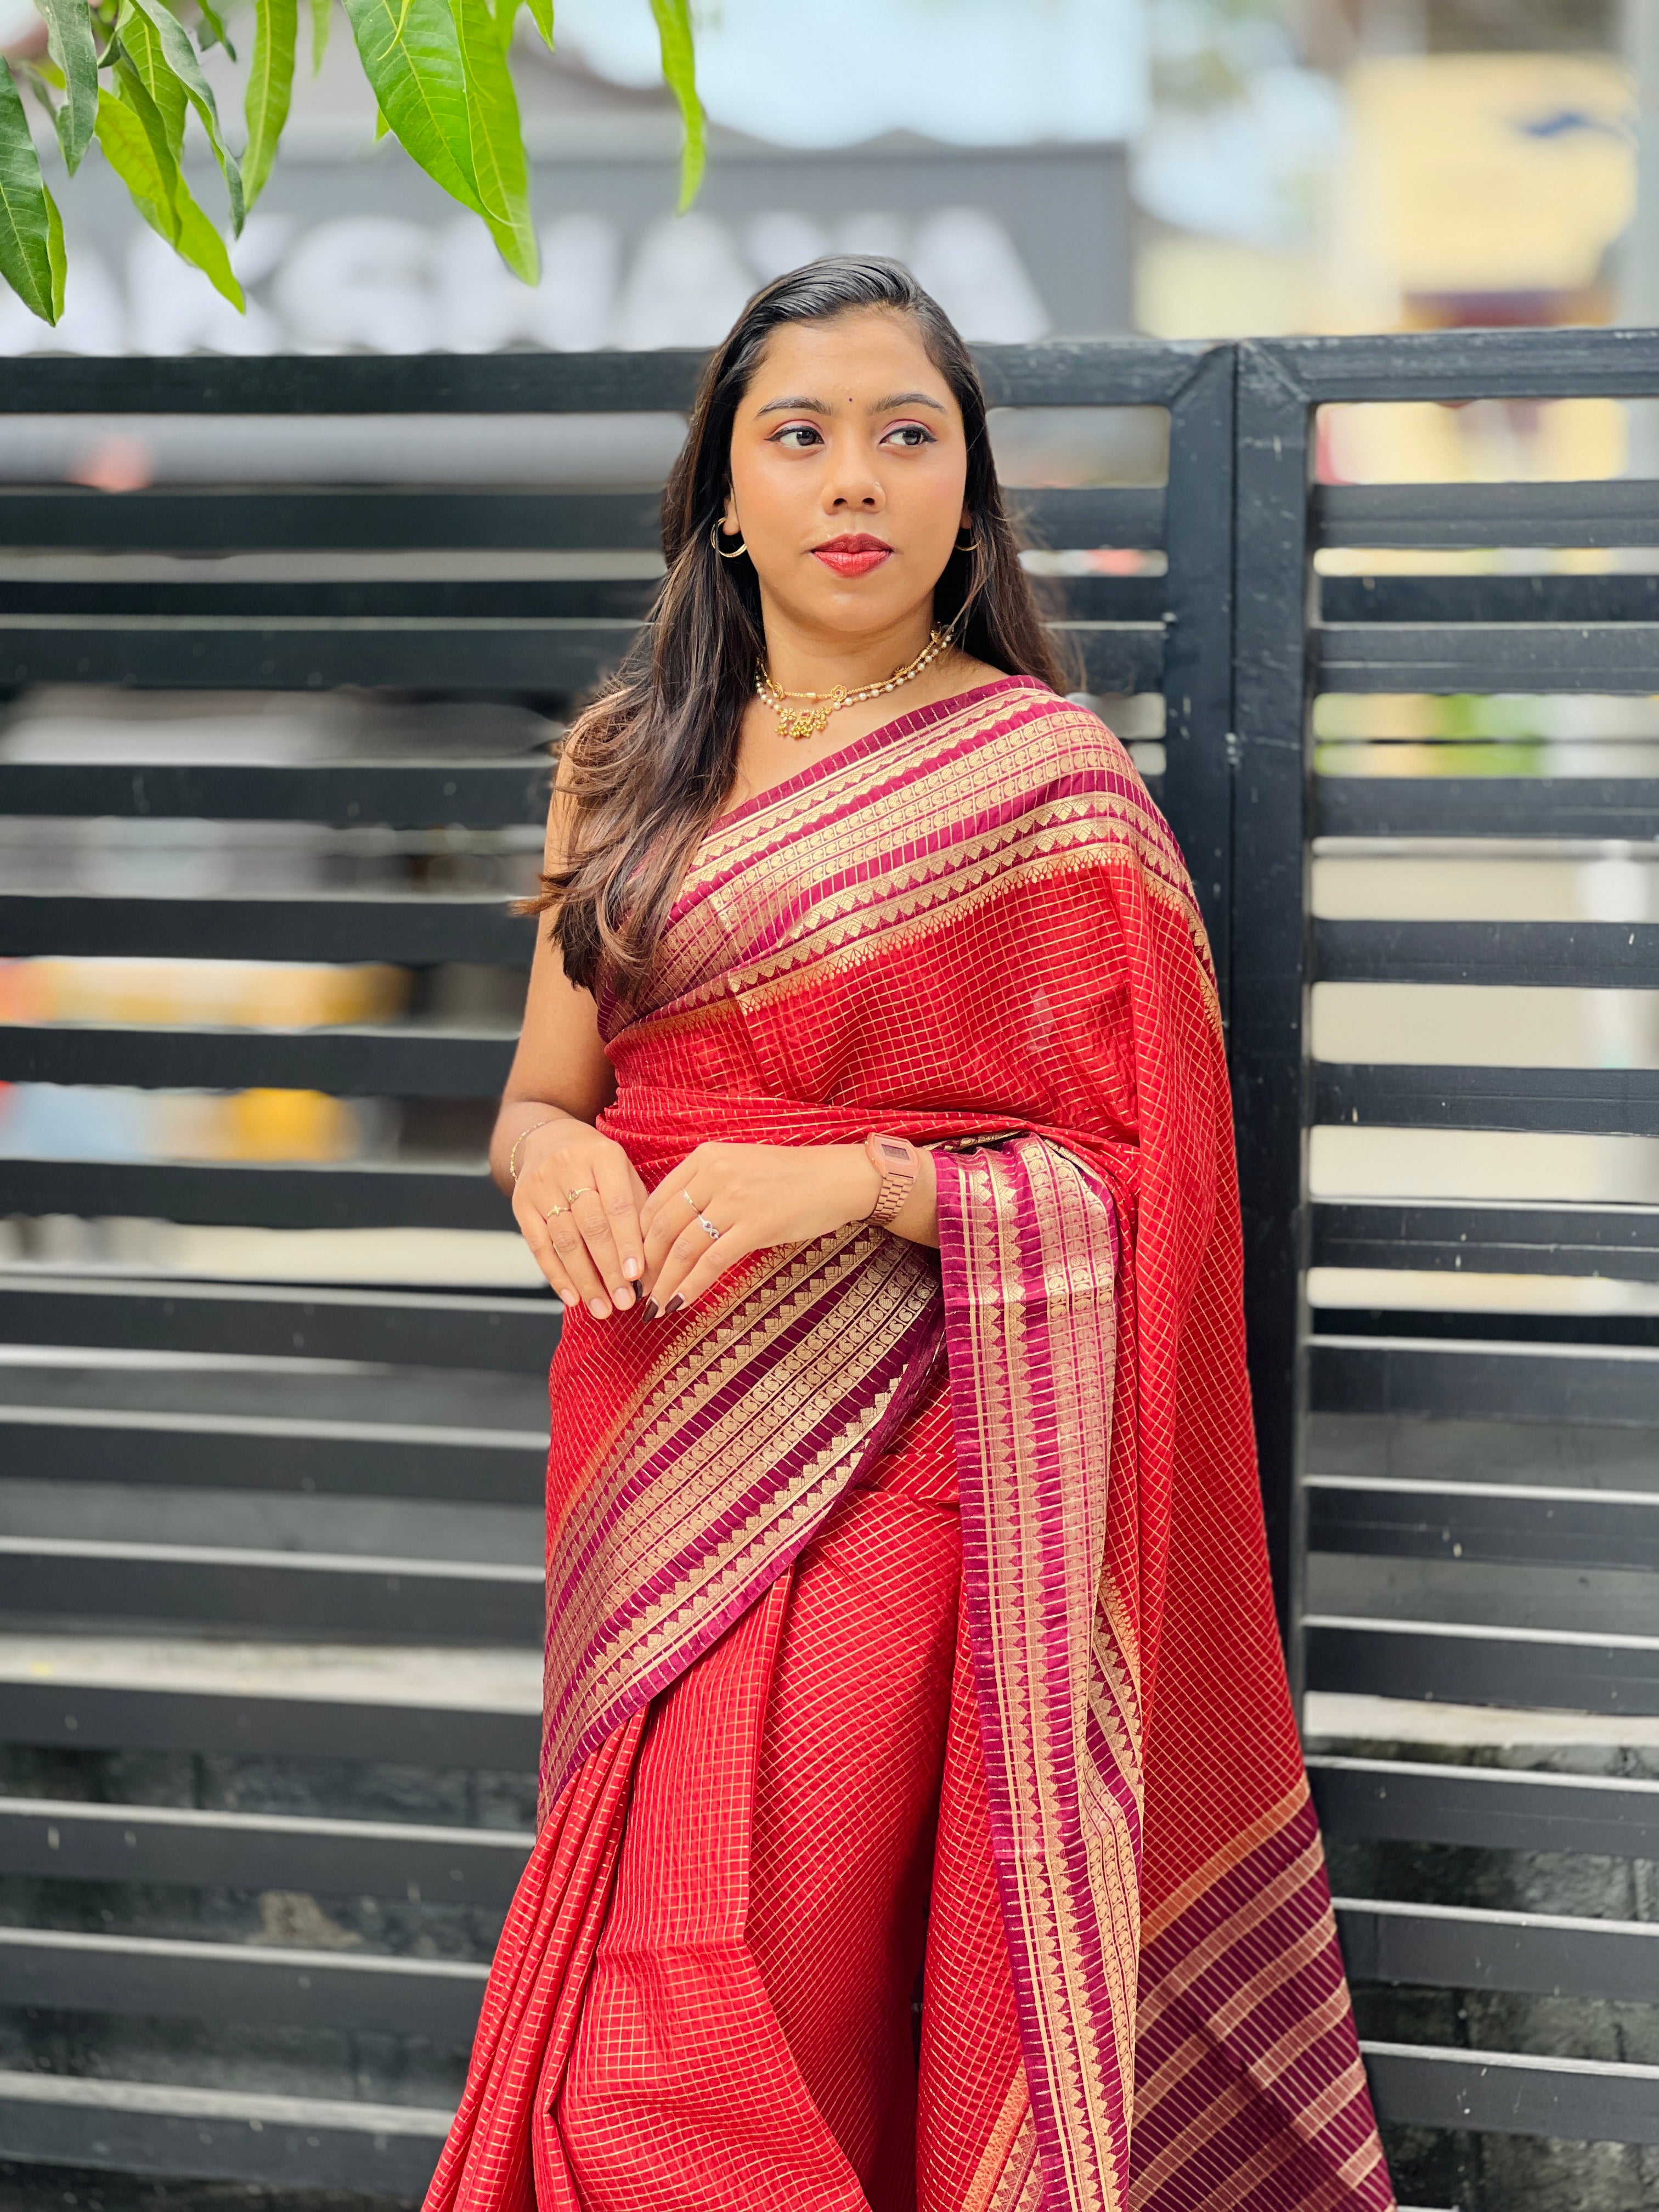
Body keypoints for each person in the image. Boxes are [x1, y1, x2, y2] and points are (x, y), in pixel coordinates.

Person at [426, 257, 1394, 2212]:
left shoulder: (1047, 791)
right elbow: (543, 1092)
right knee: (647, 1996)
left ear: (970, 489)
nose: (854, 479)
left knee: (709, 2034)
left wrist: (863, 1183)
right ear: (725, 490)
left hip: (921, 1476)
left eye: (905, 435)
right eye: (800, 436)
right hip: (655, 1438)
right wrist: (547, 1165)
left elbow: (1151, 1191)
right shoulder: (622, 762)